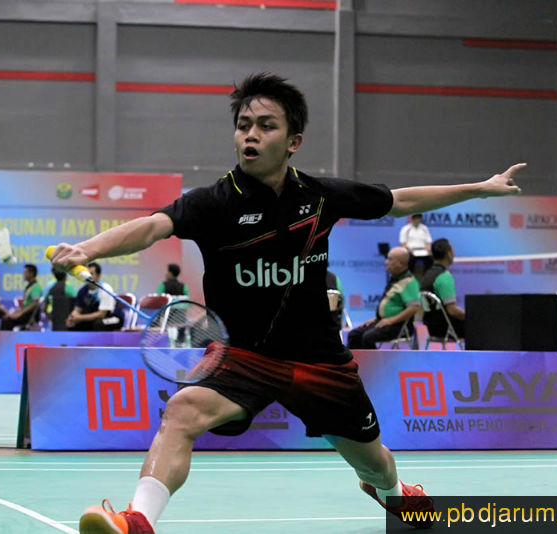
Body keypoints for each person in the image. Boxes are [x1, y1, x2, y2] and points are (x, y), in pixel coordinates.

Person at [48, 73, 525, 533]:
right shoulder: (213, 203)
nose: (250, 135)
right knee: (183, 410)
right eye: (243, 125)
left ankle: (394, 493)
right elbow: (153, 226)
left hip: (320, 360)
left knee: (375, 464)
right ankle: (138, 521)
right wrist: (87, 249)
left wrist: (480, 188)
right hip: (244, 357)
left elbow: (398, 200)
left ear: (293, 141)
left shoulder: (319, 197)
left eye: (265, 125)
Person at [347, 247, 422, 349]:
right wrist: (375, 319)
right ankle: (353, 359)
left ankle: (373, 359)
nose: (386, 262)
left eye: (390, 259)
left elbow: (414, 307)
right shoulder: (395, 280)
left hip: (398, 326)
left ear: (400, 263)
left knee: (368, 337)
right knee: (354, 335)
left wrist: (391, 320)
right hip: (384, 321)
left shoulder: (409, 282)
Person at [420, 238, 465, 339]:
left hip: (430, 327)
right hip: (446, 328)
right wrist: (472, 316)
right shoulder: (444, 276)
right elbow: (452, 311)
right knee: (480, 325)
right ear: (449, 254)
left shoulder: (427, 274)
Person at [67, 262, 124, 331]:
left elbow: (102, 314)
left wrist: (80, 318)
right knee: (73, 324)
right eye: (87, 274)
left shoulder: (105, 289)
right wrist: (72, 317)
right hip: (96, 317)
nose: (88, 277)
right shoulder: (83, 291)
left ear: (98, 276)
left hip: (114, 318)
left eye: (91, 274)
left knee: (98, 324)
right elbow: (77, 310)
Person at [0, 264, 42, 330]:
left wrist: (20, 314)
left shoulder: (36, 287)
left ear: (31, 274)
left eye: (25, 272)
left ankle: (5, 337)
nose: (23, 274)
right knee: (5, 318)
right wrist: (15, 313)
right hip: (24, 313)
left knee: (7, 321)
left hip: (29, 315)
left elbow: (35, 303)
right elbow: (24, 306)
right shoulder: (29, 286)